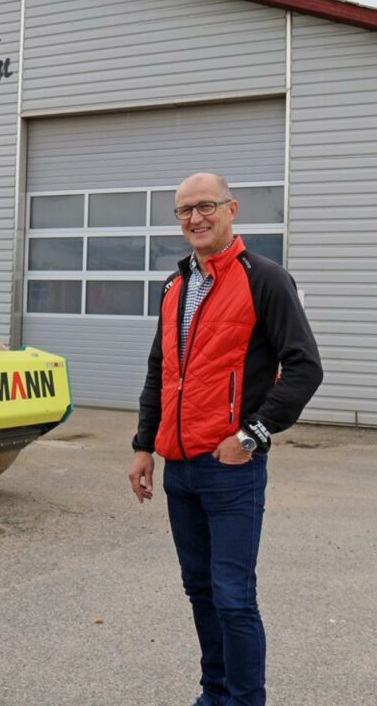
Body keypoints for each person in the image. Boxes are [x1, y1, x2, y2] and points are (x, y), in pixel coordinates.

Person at [128, 172, 323, 706]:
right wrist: (144, 446)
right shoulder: (175, 286)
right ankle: (214, 695)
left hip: (232, 469)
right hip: (180, 468)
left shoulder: (265, 279)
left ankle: (244, 700)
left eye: (206, 206)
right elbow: (159, 371)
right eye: (185, 210)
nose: (195, 217)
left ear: (231, 209)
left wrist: (253, 436)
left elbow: (305, 368)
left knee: (234, 597)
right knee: (200, 591)